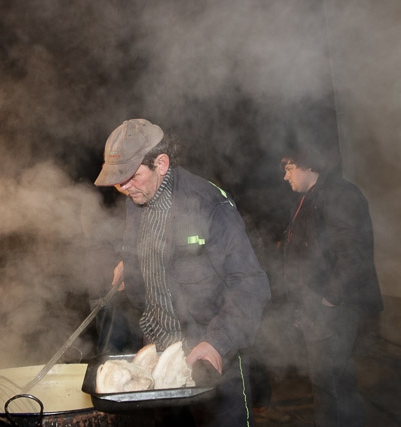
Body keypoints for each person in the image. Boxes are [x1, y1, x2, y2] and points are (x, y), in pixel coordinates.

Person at [94, 118, 271, 426]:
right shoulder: (137, 199)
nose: (123, 187)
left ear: (161, 164)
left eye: (132, 176)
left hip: (211, 356)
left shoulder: (208, 204)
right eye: (119, 180)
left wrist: (217, 343)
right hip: (161, 355)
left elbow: (249, 285)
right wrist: (131, 266)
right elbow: (144, 249)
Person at [280, 147, 383, 427]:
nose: (285, 176)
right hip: (316, 305)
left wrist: (328, 300)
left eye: (289, 168)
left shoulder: (339, 194)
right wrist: (302, 306)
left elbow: (353, 253)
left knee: (331, 381)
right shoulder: (308, 199)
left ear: (307, 166)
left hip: (336, 307)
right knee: (329, 381)